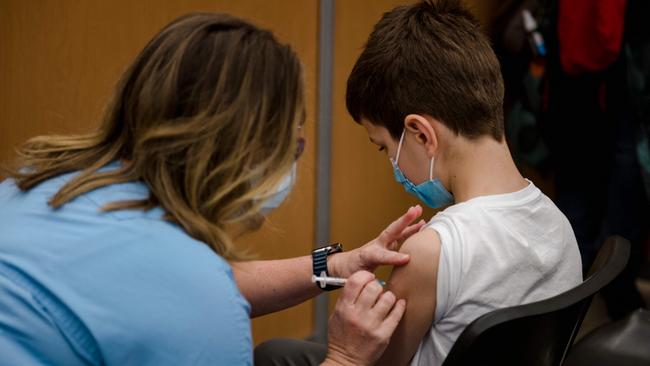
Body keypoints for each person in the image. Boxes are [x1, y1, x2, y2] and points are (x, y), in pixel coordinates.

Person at [0, 13, 425, 365]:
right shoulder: (198, 308)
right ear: (248, 151)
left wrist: (335, 267)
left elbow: (163, 285)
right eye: (292, 146)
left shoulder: (41, 183)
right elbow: (186, 292)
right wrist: (346, 359)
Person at [255, 1, 583, 365]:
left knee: (271, 354)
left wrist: (347, 344)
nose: (393, 167)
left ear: (421, 134)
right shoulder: (559, 225)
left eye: (384, 149)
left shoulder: (432, 252)